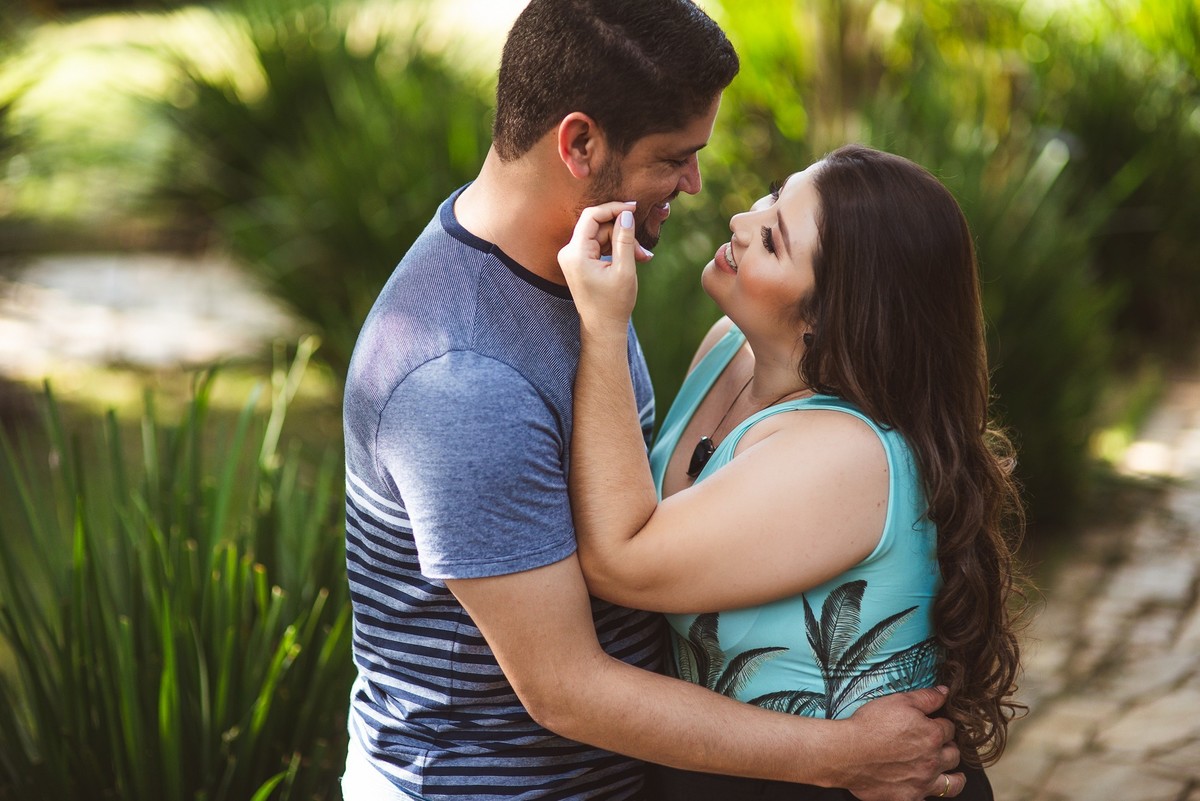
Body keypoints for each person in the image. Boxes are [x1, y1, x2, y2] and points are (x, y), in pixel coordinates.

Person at [341, 0, 965, 797]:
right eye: (674, 158)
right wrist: (845, 755)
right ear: (580, 144)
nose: (700, 186)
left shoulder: (581, 270)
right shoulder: (463, 380)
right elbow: (565, 686)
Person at [559, 144, 1026, 800]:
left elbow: (621, 560)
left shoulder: (847, 454)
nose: (741, 222)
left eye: (773, 239)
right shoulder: (729, 349)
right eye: (774, 195)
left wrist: (604, 326)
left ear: (828, 316)